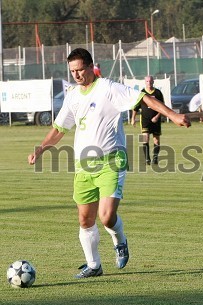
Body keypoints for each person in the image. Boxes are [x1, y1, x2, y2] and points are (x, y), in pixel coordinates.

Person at [28, 48, 191, 279]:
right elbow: (59, 128)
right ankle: (94, 265)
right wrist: (42, 147)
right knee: (85, 219)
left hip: (111, 161)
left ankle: (120, 240)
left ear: (91, 66)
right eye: (72, 71)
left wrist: (173, 116)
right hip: (84, 166)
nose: (76, 75)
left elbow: (144, 98)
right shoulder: (73, 95)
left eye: (80, 69)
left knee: (106, 216)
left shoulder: (109, 88)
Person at [131, 76, 165, 165]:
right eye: (147, 81)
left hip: (155, 120)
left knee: (156, 140)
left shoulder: (158, 93)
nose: (148, 83)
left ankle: (155, 158)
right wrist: (133, 118)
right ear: (145, 82)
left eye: (150, 81)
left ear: (153, 81)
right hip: (145, 120)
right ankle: (147, 159)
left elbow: (163, 107)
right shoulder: (142, 93)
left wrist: (157, 117)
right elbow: (136, 107)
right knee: (145, 138)